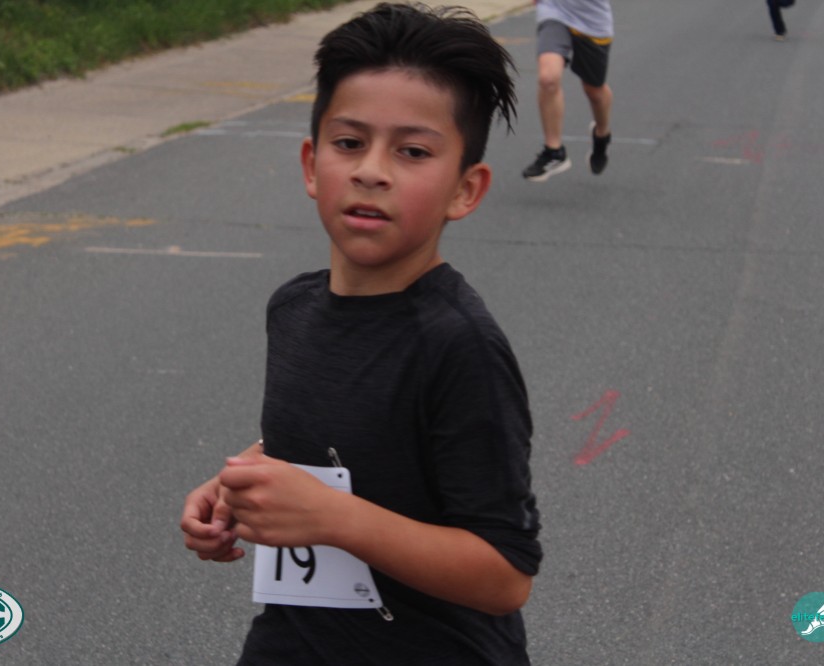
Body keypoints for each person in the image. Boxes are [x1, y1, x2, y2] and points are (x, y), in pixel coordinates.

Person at [180, 3, 543, 664]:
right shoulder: (293, 309)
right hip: (291, 643)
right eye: (349, 143)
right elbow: (343, 431)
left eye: (412, 151)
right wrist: (243, 478)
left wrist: (332, 518)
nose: (372, 170)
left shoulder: (458, 344)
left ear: (465, 190)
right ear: (311, 164)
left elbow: (505, 575)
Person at [522, 0, 614, 181]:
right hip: (554, 11)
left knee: (594, 90)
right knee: (548, 79)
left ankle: (602, 134)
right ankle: (554, 152)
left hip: (592, 21)